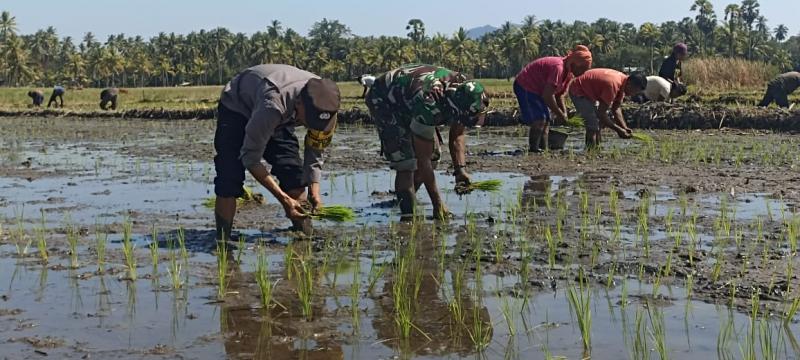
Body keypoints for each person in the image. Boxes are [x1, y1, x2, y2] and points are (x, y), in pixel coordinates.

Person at [213, 64, 341, 240]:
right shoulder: (273, 104)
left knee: (293, 174)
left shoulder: (327, 106)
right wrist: (284, 199)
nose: (311, 126)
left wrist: (314, 191)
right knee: (229, 177)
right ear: (299, 103)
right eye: (309, 120)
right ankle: (223, 240)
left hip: (281, 116)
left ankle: (305, 236)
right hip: (239, 107)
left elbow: (315, 149)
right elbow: (250, 158)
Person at [366, 64, 489, 220]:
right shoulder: (429, 104)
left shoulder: (466, 90)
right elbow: (422, 159)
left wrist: (460, 170)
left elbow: (457, 133)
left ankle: (405, 198)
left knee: (434, 156)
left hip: (410, 97)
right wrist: (438, 204)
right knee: (406, 163)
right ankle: (408, 218)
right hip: (385, 99)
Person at [514, 45, 593, 152]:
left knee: (547, 120)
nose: (582, 73)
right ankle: (533, 150)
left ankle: (543, 149)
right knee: (540, 119)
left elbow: (559, 95)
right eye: (582, 69)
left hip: (540, 90)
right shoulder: (558, 68)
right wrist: (560, 115)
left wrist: (564, 113)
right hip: (526, 85)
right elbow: (547, 96)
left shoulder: (569, 74)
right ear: (574, 64)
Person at [569, 69, 648, 148]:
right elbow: (601, 113)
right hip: (578, 89)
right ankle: (591, 151)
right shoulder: (613, 84)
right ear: (630, 84)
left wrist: (624, 127)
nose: (633, 95)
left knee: (598, 124)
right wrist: (618, 130)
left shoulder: (623, 82)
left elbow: (616, 108)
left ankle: (596, 148)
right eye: (635, 91)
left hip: (590, 92)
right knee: (592, 125)